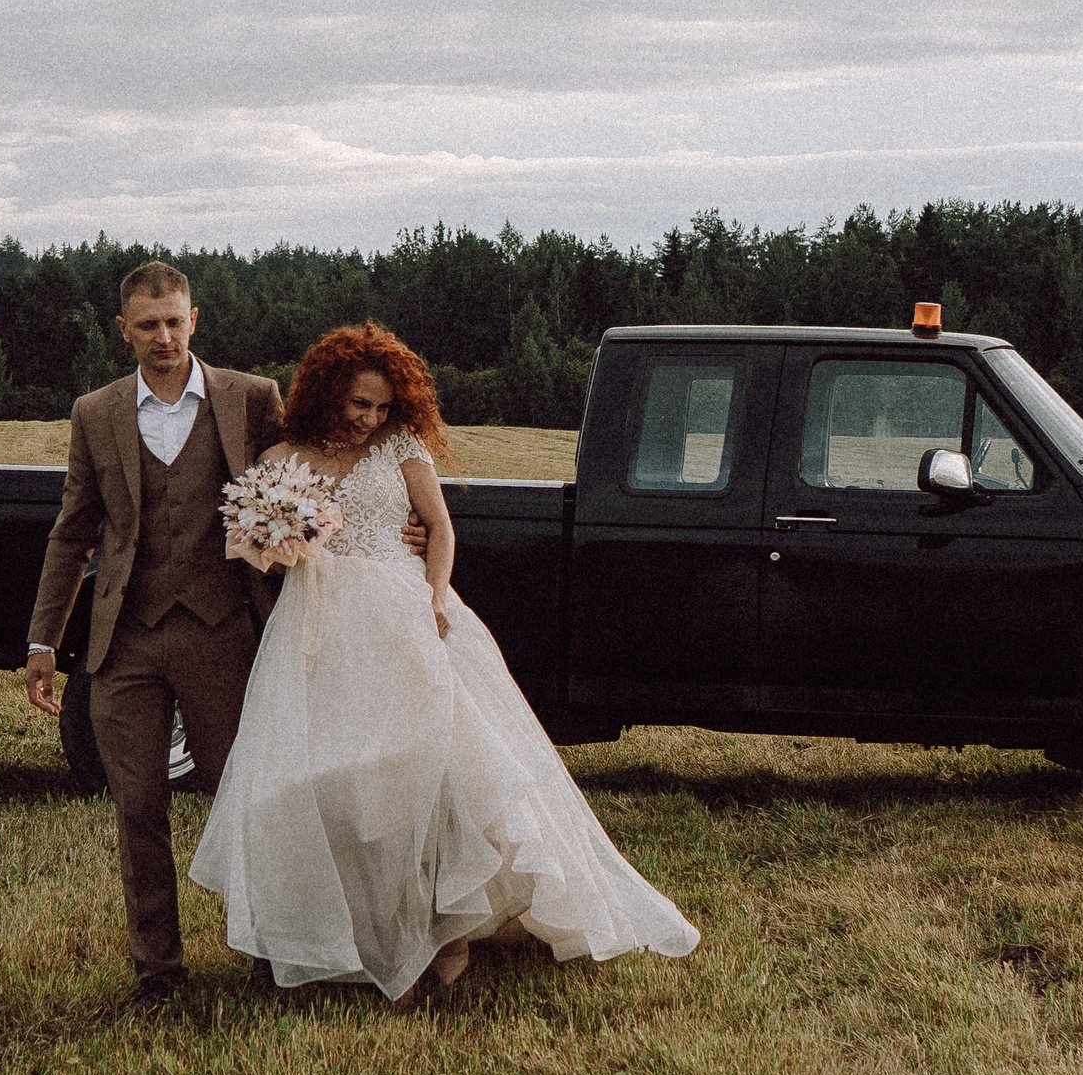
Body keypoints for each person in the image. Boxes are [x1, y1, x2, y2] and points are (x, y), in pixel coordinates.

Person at [189, 322, 700, 999]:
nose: (370, 417)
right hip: (319, 624)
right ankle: (331, 933)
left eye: (380, 405)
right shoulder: (286, 455)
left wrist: (433, 598)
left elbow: (442, 528)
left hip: (407, 614)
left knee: (437, 770)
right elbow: (262, 545)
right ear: (327, 393)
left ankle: (448, 935)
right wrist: (278, 543)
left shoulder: (401, 448)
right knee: (321, 776)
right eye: (358, 403)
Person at [22, 260, 285, 1007]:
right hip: (125, 640)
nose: (163, 336)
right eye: (147, 324)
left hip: (223, 633)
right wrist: (43, 641)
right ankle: (158, 975)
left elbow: (304, 481)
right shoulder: (95, 412)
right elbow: (72, 531)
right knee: (138, 805)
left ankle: (267, 955)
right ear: (124, 330)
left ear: (194, 319)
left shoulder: (252, 398)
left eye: (174, 321)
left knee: (241, 797)